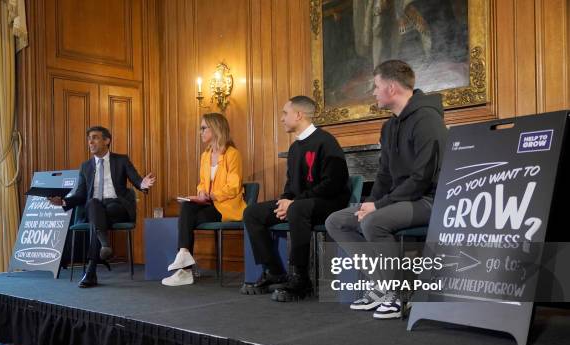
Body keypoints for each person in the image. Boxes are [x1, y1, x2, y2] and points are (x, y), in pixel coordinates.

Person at [325, 60, 447, 319]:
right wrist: (370, 203)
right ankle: (381, 285)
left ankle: (396, 293)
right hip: (400, 200)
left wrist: (378, 208)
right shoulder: (390, 125)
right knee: (336, 221)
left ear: (391, 88)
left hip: (430, 199)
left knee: (374, 223)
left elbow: (422, 178)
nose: (373, 92)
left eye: (376, 86)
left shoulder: (428, 119)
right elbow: (383, 174)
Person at [241, 95, 350, 302]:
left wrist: (294, 203)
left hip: (328, 202)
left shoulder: (326, 141)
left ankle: (300, 278)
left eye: (285, 113)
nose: (281, 119)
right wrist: (285, 200)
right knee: (252, 212)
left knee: (297, 209)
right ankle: (273, 271)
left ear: (299, 115)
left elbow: (332, 184)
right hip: (301, 203)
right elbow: (291, 185)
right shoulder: (294, 148)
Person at [48, 126, 155, 288]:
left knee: (97, 216)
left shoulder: (121, 160)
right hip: (96, 207)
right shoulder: (85, 166)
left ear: (107, 141)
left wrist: (143, 184)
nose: (90, 142)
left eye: (95, 138)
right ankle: (99, 253)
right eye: (89, 138)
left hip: (117, 207)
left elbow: (137, 180)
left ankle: (95, 263)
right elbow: (81, 194)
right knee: (92, 203)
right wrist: (63, 202)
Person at [163, 113, 247, 286]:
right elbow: (202, 183)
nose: (200, 132)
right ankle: (184, 259)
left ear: (215, 129)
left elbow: (234, 186)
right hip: (210, 206)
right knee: (187, 208)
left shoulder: (233, 154)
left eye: (203, 128)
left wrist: (212, 195)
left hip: (226, 207)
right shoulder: (205, 156)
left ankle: (184, 268)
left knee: (187, 216)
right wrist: (201, 193)